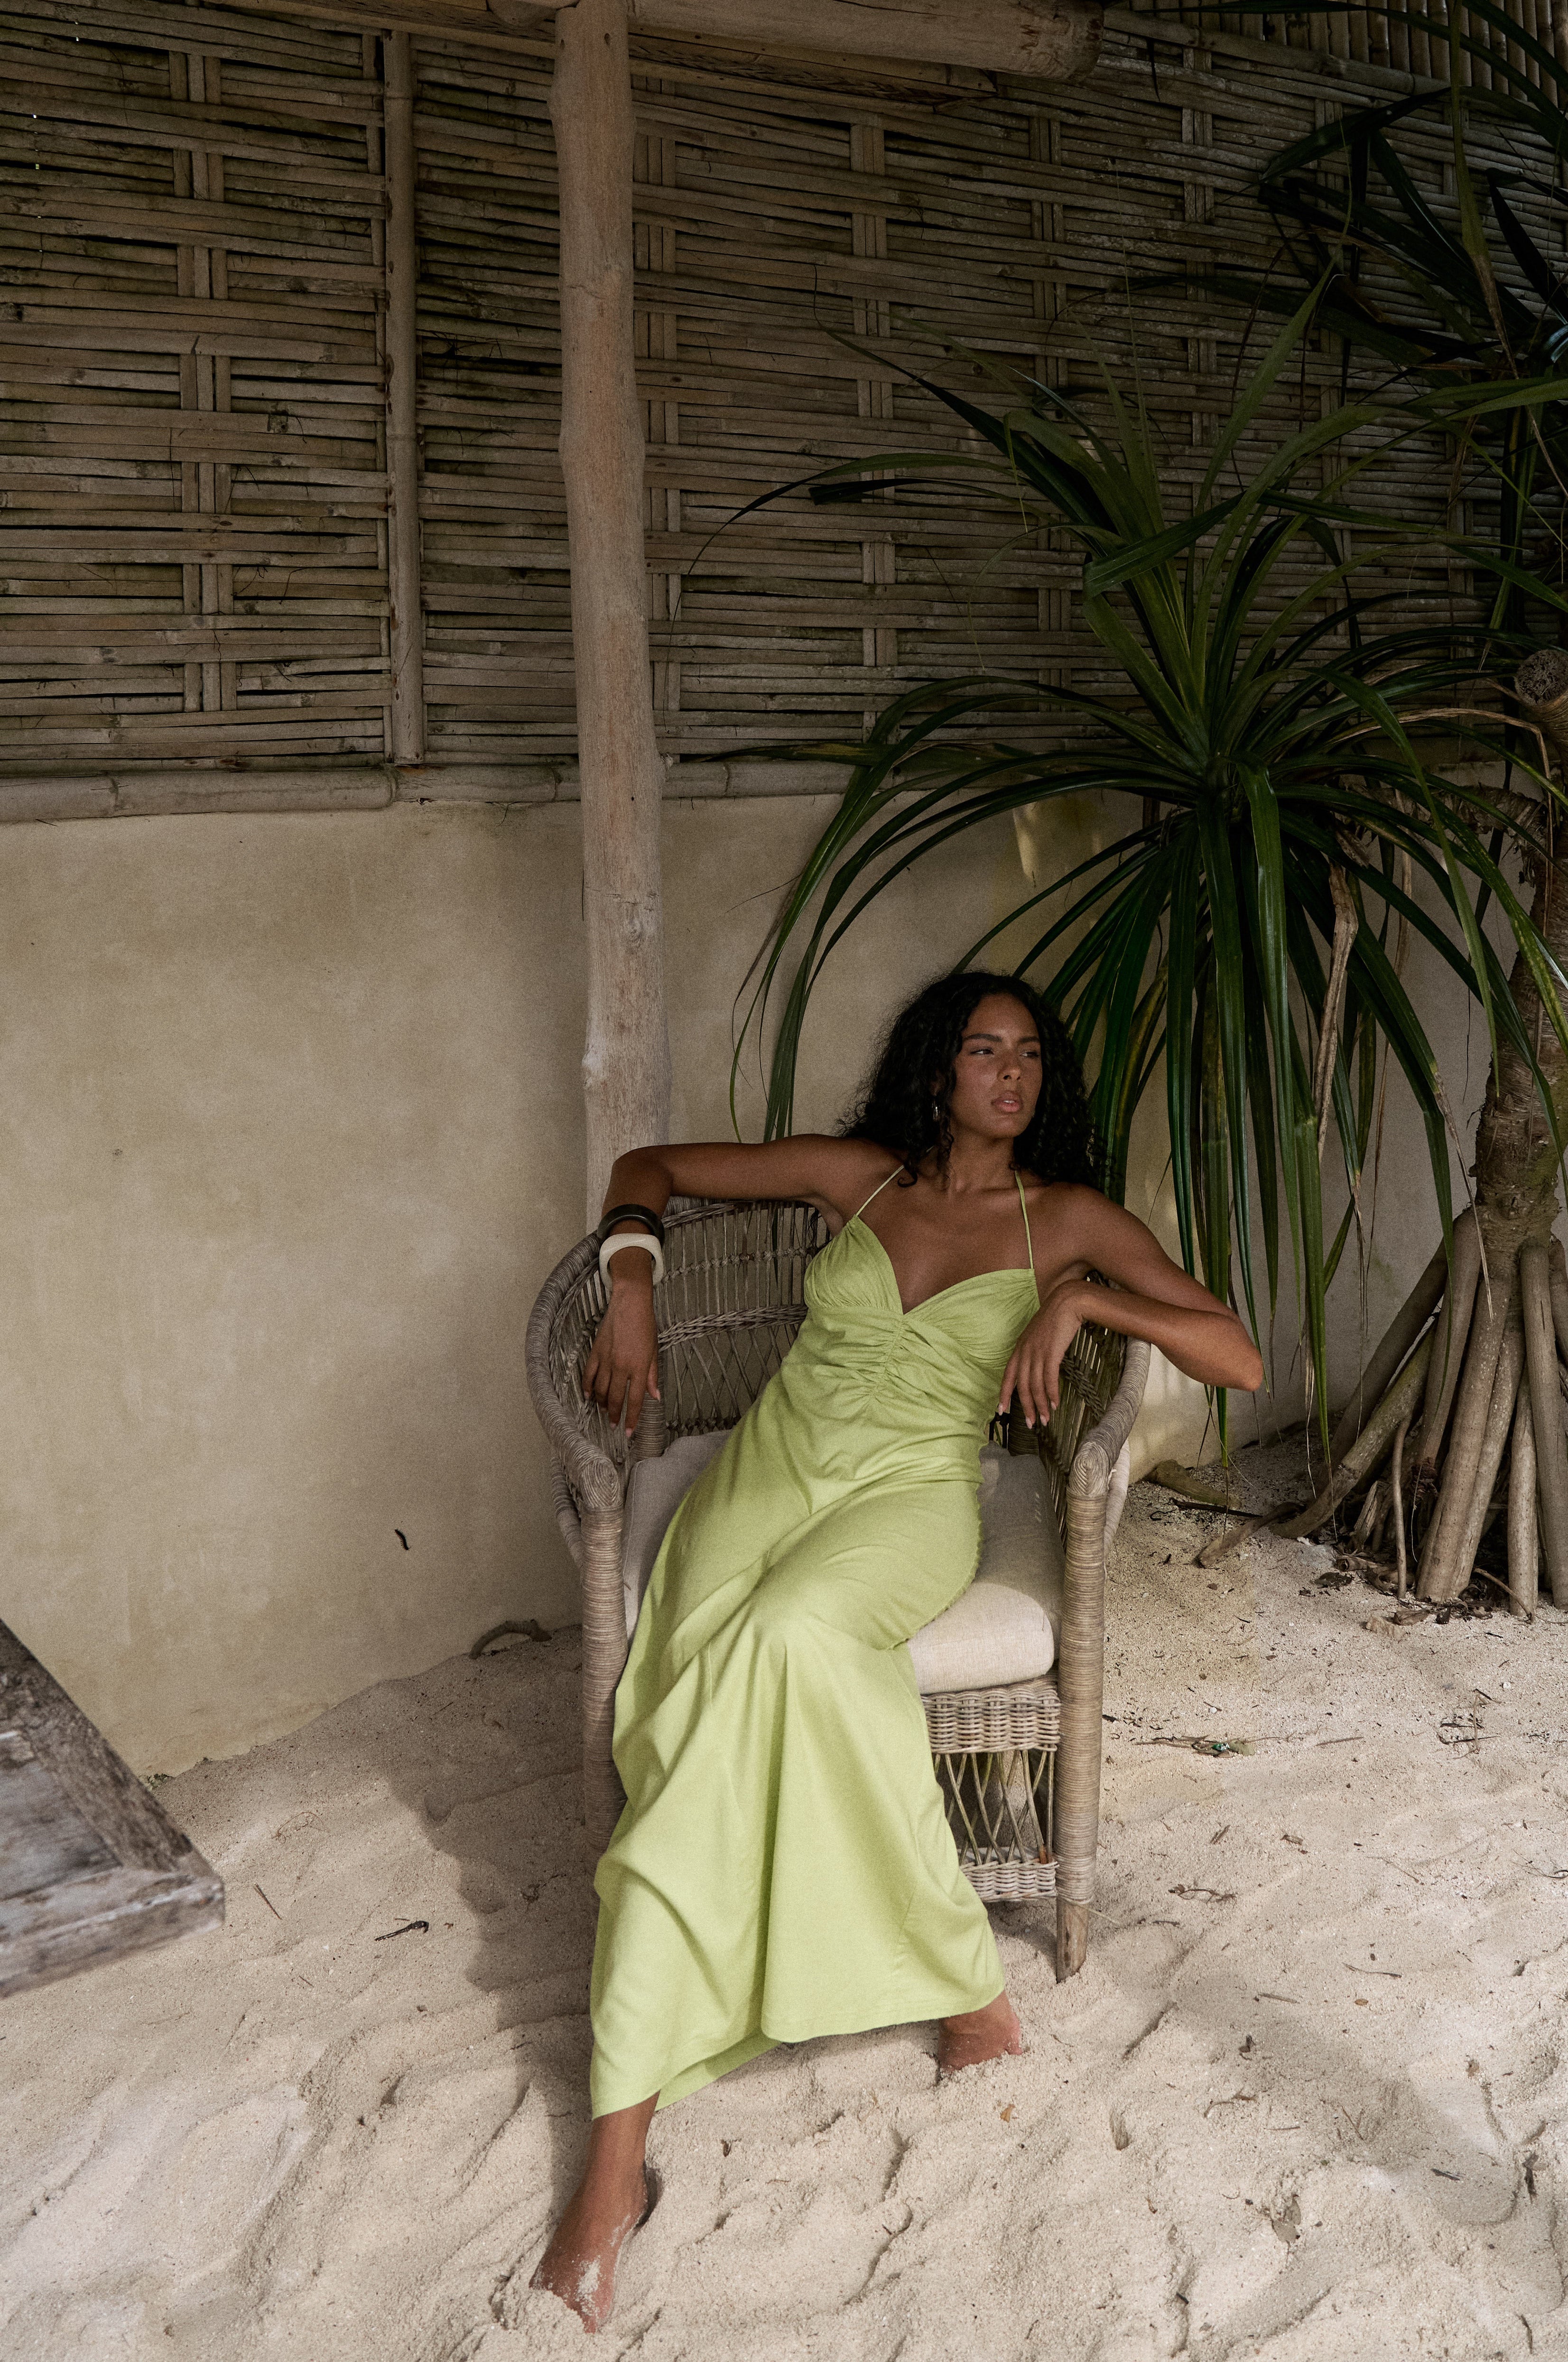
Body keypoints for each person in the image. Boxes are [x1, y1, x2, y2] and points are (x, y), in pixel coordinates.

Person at [532, 972, 1263, 2329]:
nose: (1009, 1071)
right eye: (982, 1047)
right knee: (723, 1663)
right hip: (767, 1473)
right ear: (934, 1066)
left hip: (912, 1496)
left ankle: (617, 2156)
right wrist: (630, 1281)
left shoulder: (1068, 1218)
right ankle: (947, 1992)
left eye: (1029, 1053)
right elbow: (648, 1166)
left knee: (788, 1634)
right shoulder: (854, 1179)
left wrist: (1084, 1304)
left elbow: (1238, 1355)